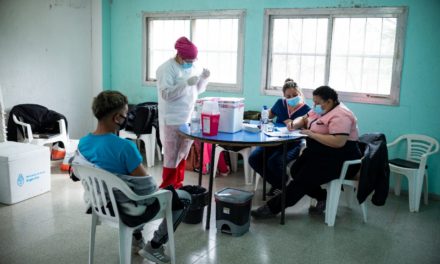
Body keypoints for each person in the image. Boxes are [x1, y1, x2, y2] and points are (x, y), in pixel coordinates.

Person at [77, 91, 190, 264]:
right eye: (125, 114)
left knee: (128, 190)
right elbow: (148, 189)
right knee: (182, 197)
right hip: (126, 207)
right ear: (116, 118)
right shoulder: (125, 147)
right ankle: (155, 245)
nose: (126, 118)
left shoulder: (83, 142)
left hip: (102, 203)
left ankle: (136, 239)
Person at [251, 85, 362, 219]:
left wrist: (312, 134)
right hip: (320, 153)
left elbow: (338, 142)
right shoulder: (322, 110)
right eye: (313, 102)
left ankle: (271, 208)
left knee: (302, 180)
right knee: (295, 171)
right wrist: (294, 124)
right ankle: (322, 197)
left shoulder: (341, 115)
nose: (314, 105)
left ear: (329, 101)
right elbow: (304, 118)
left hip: (340, 158)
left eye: (317, 102)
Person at [156, 36, 210, 189]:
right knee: (171, 156)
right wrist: (185, 83)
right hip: (171, 118)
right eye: (188, 60)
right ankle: (167, 187)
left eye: (193, 60)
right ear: (179, 55)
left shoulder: (192, 67)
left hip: (187, 117)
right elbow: (166, 95)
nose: (191, 63)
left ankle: (178, 185)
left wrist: (203, 79)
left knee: (182, 154)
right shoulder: (166, 69)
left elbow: (196, 90)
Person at [248, 78, 310, 195]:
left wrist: (292, 124)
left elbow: (306, 127)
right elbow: (267, 116)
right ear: (284, 96)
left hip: (293, 144)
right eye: (288, 96)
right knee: (254, 159)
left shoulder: (307, 110)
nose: (291, 98)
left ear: (300, 93)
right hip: (274, 140)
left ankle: (281, 185)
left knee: (274, 161)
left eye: (295, 95)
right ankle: (280, 184)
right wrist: (265, 115)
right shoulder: (280, 104)